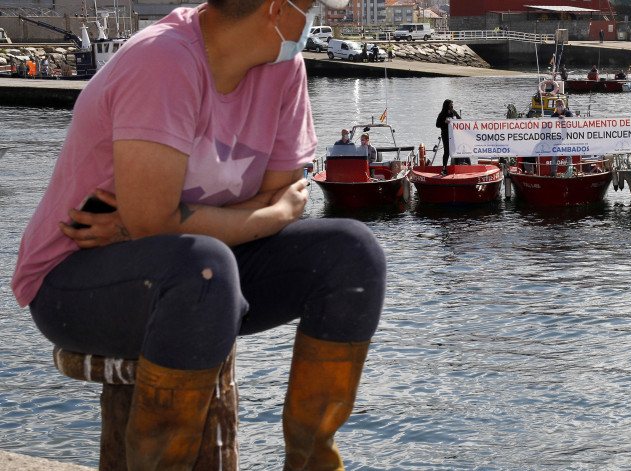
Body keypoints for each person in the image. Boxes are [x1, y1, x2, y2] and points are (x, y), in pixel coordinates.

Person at [11, 0, 386, 470]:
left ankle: (311, 463)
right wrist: (262, 216)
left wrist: (163, 220)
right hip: (76, 276)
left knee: (352, 253)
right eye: (311, 7)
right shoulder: (163, 60)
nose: (317, 21)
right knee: (202, 270)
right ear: (275, 9)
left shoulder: (283, 68)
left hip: (203, 265)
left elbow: (276, 196)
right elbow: (265, 209)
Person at [435, 98, 460, 175]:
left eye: (452, 105)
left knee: (456, 151)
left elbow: (460, 120)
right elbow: (437, 124)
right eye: (450, 106)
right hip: (445, 135)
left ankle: (456, 167)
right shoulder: (442, 114)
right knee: (447, 152)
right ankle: (444, 168)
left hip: (454, 136)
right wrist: (444, 122)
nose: (452, 107)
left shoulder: (454, 113)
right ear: (447, 106)